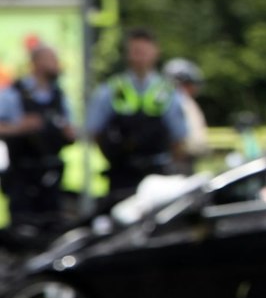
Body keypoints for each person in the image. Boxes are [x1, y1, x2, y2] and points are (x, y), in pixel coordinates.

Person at [86, 27, 186, 208]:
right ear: (128, 54)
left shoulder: (167, 91)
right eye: (136, 51)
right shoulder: (111, 89)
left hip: (157, 172)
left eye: (145, 51)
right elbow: (95, 131)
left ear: (156, 52)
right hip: (122, 172)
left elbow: (179, 137)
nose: (140, 57)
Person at [0, 41, 76, 231]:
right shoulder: (12, 94)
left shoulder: (59, 95)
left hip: (52, 175)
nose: (56, 64)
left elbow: (70, 130)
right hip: (22, 175)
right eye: (51, 59)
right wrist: (21, 127)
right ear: (36, 63)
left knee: (54, 227)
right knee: (23, 229)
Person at [163, 57, 211, 169]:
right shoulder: (175, 101)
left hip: (187, 160)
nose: (194, 88)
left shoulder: (184, 101)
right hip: (177, 163)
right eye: (191, 83)